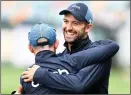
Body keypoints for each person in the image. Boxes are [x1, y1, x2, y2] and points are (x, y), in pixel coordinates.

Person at [21, 3, 120, 94]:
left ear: (88, 28)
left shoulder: (100, 56)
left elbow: (79, 84)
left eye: (75, 23)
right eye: (66, 21)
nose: (68, 28)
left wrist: (40, 74)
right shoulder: (60, 57)